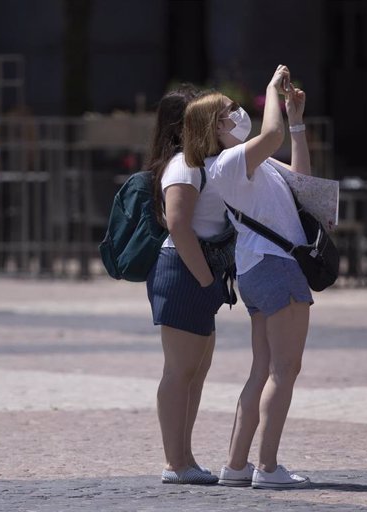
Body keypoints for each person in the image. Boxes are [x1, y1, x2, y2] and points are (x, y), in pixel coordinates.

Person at [182, 65, 313, 489]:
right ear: (213, 129)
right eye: (228, 112)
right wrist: (272, 90)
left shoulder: (251, 161)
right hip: (275, 266)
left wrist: (297, 124)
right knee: (285, 369)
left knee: (263, 369)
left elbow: (305, 184)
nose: (238, 113)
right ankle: (269, 467)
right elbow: (269, 136)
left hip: (259, 269)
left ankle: (237, 465)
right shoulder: (229, 162)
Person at [145, 84, 233, 485]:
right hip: (184, 271)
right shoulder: (184, 165)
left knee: (195, 370)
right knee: (180, 371)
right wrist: (204, 279)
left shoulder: (201, 164)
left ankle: (185, 456)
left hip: (197, 270)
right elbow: (179, 224)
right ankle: (174, 462)